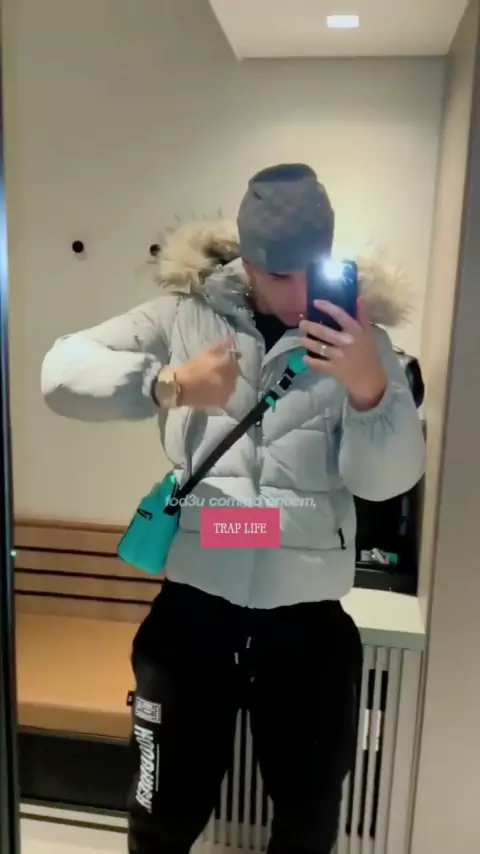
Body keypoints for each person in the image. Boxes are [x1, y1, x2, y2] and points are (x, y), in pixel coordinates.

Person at [41, 163, 425, 854]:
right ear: (246, 262)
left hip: (307, 627)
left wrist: (370, 391)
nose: (300, 294)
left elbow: (384, 483)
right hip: (195, 615)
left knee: (308, 823)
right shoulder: (183, 317)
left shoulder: (363, 341)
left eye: (312, 271)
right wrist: (168, 385)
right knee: (160, 817)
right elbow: (60, 374)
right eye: (279, 274)